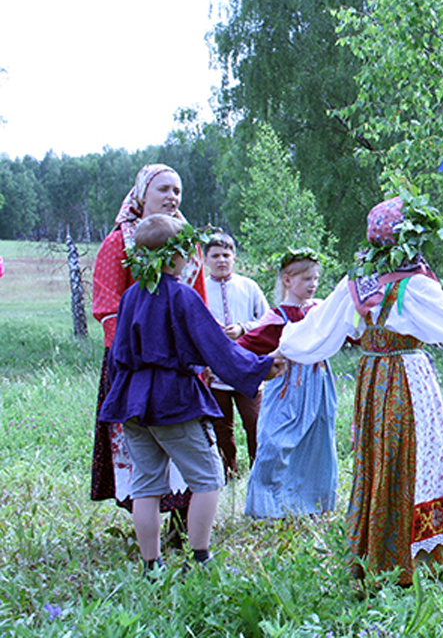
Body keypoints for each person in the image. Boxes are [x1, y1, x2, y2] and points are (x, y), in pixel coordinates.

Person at [277, 193, 443, 583]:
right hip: (407, 380)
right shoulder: (413, 286)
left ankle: (382, 555)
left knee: (383, 462)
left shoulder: (356, 281)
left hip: (372, 380)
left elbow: (315, 334)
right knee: (425, 462)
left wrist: (284, 343)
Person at [97, 215, 284, 573]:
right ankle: (200, 558)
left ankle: (151, 565)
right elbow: (215, 346)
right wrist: (261, 367)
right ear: (178, 256)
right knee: (208, 477)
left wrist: (121, 396)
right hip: (172, 400)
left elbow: (118, 354)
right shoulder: (182, 295)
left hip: (133, 402)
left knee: (146, 484)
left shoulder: (130, 297)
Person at [91, 163, 204, 522]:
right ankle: (149, 530)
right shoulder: (118, 242)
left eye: (177, 191)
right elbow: (107, 307)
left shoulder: (188, 244)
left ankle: (185, 526)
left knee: (189, 444)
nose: (172, 197)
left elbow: (197, 302)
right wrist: (134, 360)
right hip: (134, 364)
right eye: (163, 190)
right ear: (142, 194)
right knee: (145, 452)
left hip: (181, 365)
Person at [239, 249, 338, 519]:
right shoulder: (277, 316)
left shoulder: (319, 310)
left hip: (317, 380)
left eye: (315, 278)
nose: (312, 284)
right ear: (287, 280)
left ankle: (312, 502)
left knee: (318, 441)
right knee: (276, 441)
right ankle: (268, 505)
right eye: (306, 278)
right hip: (287, 383)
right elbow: (247, 345)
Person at [202, 233, 270, 476]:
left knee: (255, 423)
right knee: (221, 426)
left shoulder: (248, 286)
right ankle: (228, 471)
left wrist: (243, 328)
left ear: (234, 257)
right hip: (215, 369)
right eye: (215, 256)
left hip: (246, 366)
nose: (221, 260)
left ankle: (258, 470)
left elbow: (267, 319)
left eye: (226, 255)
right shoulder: (200, 288)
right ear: (206, 258)